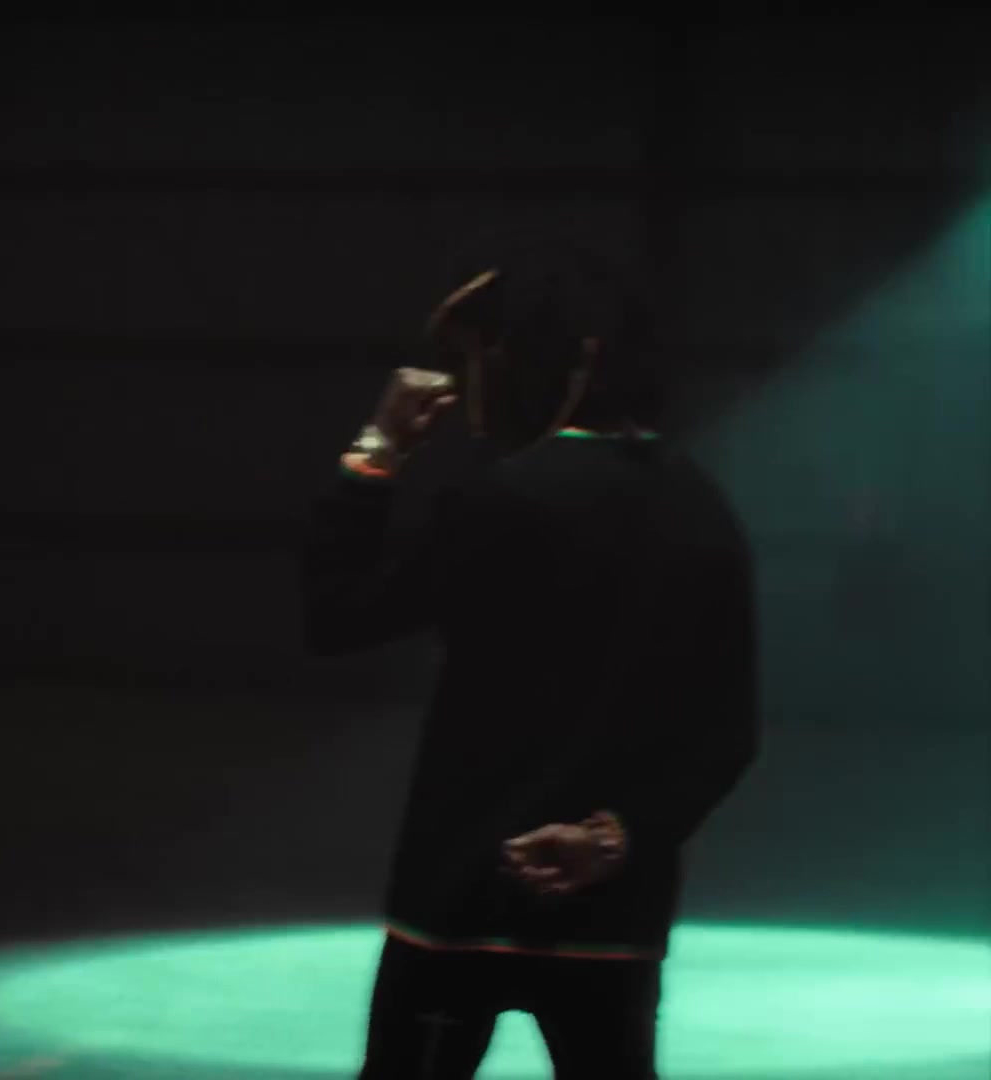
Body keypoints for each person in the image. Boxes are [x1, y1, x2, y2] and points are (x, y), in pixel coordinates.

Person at [302, 247, 760, 1079]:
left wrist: (379, 448)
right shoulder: (703, 508)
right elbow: (728, 735)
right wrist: (612, 838)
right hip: (612, 918)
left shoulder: (504, 498)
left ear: (562, 363)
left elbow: (335, 616)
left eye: (492, 356)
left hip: (459, 903)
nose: (479, 384)